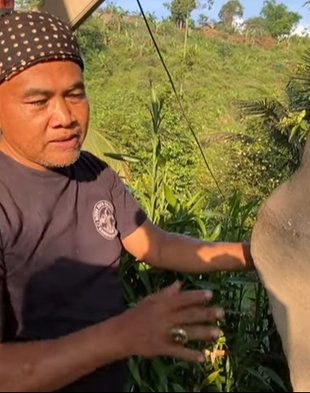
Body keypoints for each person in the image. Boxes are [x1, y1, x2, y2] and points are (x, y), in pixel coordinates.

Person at [0, 9, 254, 392]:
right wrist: (122, 335)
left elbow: (157, 244)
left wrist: (257, 255)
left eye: (75, 94)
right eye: (38, 102)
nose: (65, 117)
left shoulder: (94, 174)